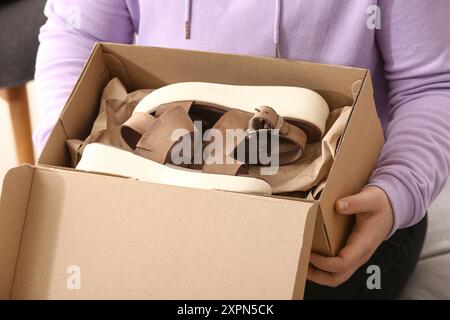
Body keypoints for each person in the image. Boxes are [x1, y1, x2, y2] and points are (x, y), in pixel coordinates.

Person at [34, 0, 450, 299]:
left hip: (344, 215)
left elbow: (431, 86)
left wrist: (398, 189)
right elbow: (77, 32)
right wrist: (62, 140)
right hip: (168, 186)